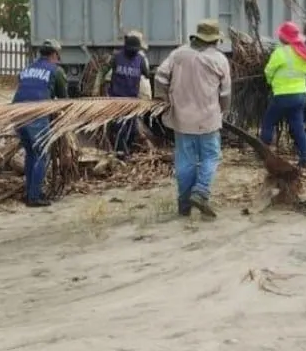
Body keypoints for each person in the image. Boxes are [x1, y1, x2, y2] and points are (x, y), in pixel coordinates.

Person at [155, 19, 231, 218]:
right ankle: (201, 191)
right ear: (214, 40)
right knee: (211, 156)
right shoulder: (219, 59)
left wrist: (166, 101)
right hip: (208, 118)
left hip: (181, 118)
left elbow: (160, 78)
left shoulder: (178, 54)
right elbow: (225, 94)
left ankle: (184, 203)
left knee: (185, 161)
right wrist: (223, 112)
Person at [12, 40, 69, 207]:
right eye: (58, 55)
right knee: (41, 154)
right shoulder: (56, 71)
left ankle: (30, 192)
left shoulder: (27, 69)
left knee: (31, 153)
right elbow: (63, 99)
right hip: (36, 115)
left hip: (16, 113)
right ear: (54, 54)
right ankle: (34, 197)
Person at [260, 21, 306, 168]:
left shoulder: (280, 52)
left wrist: (271, 82)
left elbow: (268, 71)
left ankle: (264, 155)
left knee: (268, 123)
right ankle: (305, 157)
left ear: (284, 38)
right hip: (300, 95)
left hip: (282, 95)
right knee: (298, 126)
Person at [97, 34, 151, 159]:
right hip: (116, 99)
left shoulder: (140, 60)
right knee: (119, 128)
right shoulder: (116, 58)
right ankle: (121, 154)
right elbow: (102, 72)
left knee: (132, 130)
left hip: (132, 100)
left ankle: (127, 150)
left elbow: (147, 75)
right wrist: (99, 88)